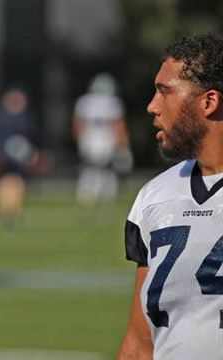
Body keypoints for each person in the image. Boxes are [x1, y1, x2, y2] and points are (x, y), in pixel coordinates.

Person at [117, 33, 223, 359]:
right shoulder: (154, 197)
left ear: (209, 102)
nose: (152, 106)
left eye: (165, 91)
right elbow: (139, 344)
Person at [0, 86, 44, 225]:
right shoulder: (2, 119)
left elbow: (32, 138)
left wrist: (32, 154)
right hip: (5, 157)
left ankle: (11, 210)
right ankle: (7, 210)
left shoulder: (26, 119)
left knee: (16, 182)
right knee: (5, 182)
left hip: (20, 157)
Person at [72, 73, 132, 206]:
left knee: (89, 169)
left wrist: (79, 141)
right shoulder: (113, 102)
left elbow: (78, 125)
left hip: (88, 139)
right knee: (107, 170)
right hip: (106, 140)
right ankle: (106, 195)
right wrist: (123, 144)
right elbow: (118, 125)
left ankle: (87, 195)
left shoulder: (84, 101)